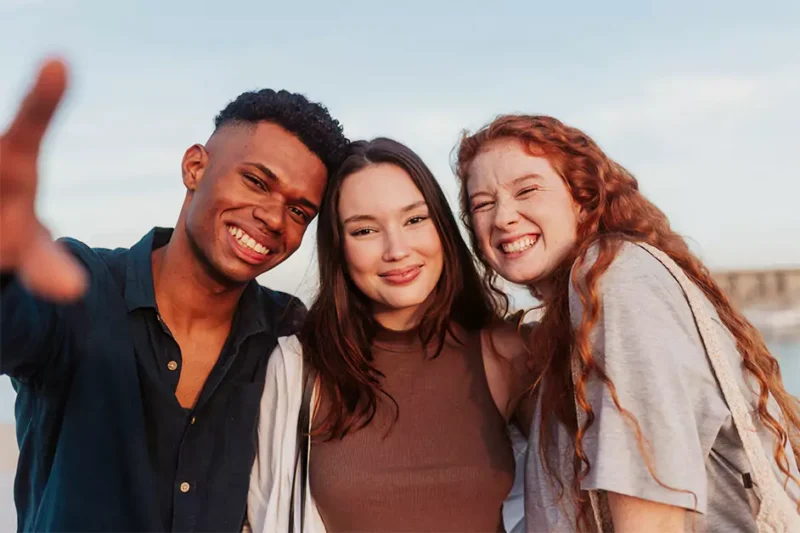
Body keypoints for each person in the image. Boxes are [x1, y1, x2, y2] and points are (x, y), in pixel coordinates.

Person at [0, 58, 348, 532]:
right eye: (256, 181)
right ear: (195, 167)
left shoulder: (288, 333)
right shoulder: (79, 287)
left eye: (298, 210)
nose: (272, 217)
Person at [454, 114, 800, 532]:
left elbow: (652, 499)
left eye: (527, 190)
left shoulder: (614, 278)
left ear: (582, 197)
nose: (504, 216)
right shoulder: (567, 327)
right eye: (483, 204)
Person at [246, 138, 533, 533]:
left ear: (442, 228)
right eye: (364, 230)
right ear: (339, 248)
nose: (396, 249)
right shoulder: (297, 367)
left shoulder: (508, 353)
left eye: (415, 220)